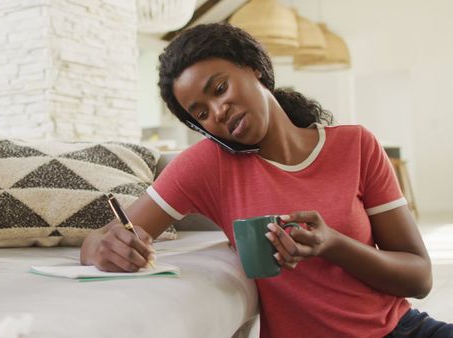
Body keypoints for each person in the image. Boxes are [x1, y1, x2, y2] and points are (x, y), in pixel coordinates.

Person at [80, 23, 452, 337]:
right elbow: (104, 237)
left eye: (220, 89)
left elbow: (419, 278)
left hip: (399, 329)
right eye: (201, 113)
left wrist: (333, 244)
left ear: (253, 68)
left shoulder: (356, 145)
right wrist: (104, 248)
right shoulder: (209, 166)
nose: (218, 112)